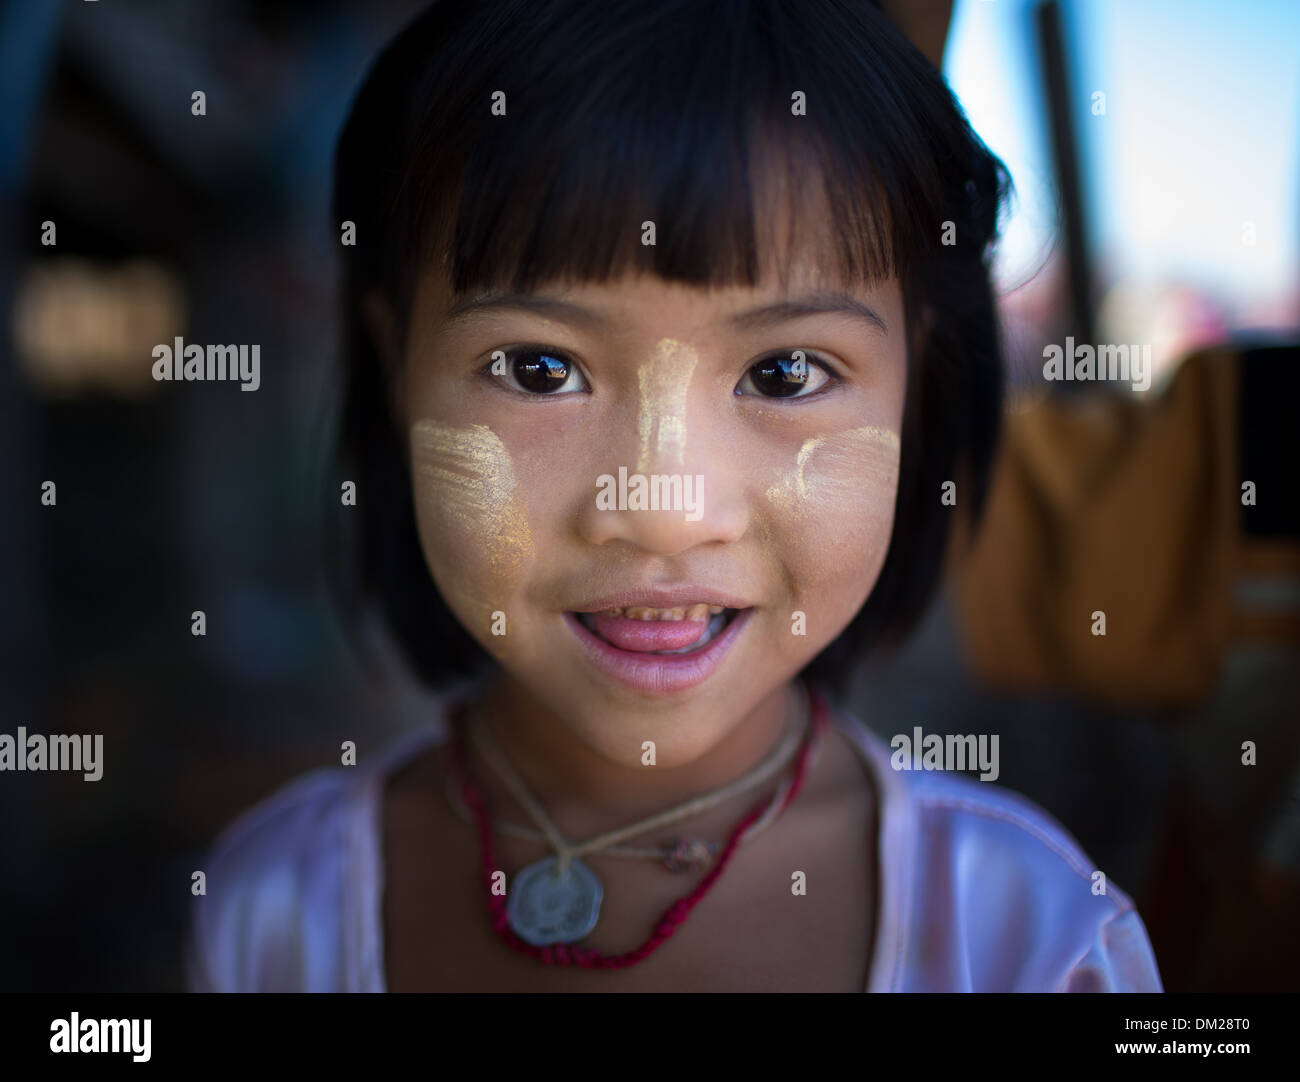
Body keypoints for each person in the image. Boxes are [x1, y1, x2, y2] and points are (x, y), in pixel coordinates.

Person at [185, 0, 1162, 992]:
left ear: (921, 380)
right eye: (536, 368)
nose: (660, 505)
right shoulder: (270, 912)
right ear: (396, 370)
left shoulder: (1035, 939)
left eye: (784, 372)